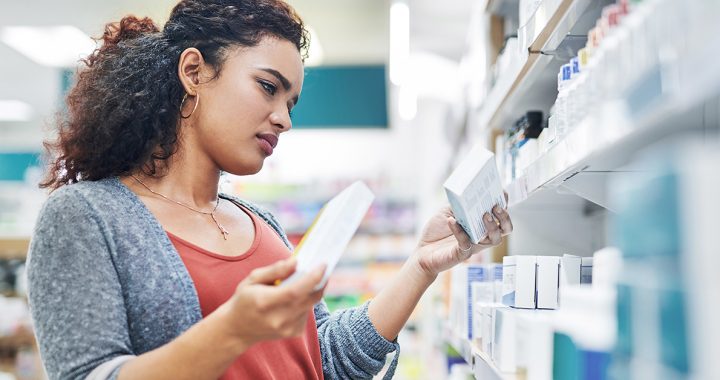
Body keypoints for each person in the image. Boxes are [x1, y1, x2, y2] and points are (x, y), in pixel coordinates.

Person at [26, 0, 513, 379]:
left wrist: (420, 266)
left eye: (292, 101)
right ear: (194, 73)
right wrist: (232, 330)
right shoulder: (85, 217)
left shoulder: (263, 225)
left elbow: (325, 360)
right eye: (267, 87)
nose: (284, 118)